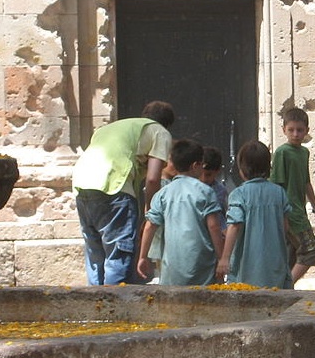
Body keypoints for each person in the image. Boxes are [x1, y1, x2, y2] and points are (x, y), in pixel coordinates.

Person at [72, 100, 175, 285]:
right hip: (114, 188)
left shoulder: (108, 129)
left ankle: (95, 310)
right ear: (166, 123)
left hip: (82, 185)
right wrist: (150, 213)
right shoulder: (160, 131)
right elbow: (153, 178)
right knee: (118, 254)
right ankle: (113, 310)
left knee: (95, 255)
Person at [137, 139, 224, 285]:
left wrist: (142, 257)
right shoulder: (206, 192)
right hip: (202, 269)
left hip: (172, 269)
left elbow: (149, 226)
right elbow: (214, 227)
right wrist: (222, 258)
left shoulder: (163, 193)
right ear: (196, 165)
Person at [216, 140, 293, 289]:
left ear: (242, 170)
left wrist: (225, 258)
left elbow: (234, 226)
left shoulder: (239, 194)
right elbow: (285, 227)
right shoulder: (279, 192)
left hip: (248, 266)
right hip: (275, 263)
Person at [270, 108, 315, 283]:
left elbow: (306, 183)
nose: (295, 134)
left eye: (300, 130)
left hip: (300, 211)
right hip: (290, 213)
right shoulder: (281, 153)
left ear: (307, 131)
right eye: (291, 130)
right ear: (283, 129)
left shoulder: (304, 153)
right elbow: (276, 185)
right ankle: (287, 286)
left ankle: (283, 289)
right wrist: (281, 215)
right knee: (310, 251)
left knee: (292, 255)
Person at [200, 146, 228, 234]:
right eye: (201, 174)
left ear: (217, 171)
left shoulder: (219, 190)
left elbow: (218, 216)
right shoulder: (190, 188)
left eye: (208, 175)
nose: (204, 179)